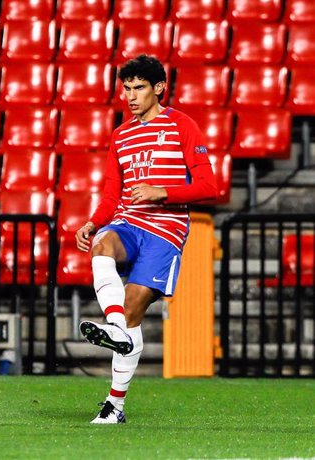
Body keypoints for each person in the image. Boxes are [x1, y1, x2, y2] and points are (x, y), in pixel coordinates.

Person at [75, 55, 218, 424]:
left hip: (166, 230)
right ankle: (115, 327)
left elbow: (209, 185)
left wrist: (162, 192)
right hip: (129, 221)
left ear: (159, 88)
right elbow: (111, 195)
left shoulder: (182, 126)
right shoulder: (120, 136)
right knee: (102, 243)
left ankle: (114, 406)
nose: (131, 95)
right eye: (126, 88)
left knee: (133, 306)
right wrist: (92, 222)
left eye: (138, 87)